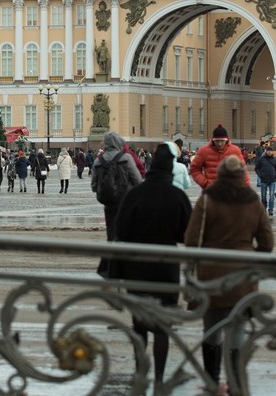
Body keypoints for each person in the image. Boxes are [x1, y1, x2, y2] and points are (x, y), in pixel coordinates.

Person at [184, 155, 274, 395]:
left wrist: (194, 263)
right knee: (237, 328)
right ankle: (235, 382)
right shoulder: (253, 200)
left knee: (211, 328)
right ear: (241, 174)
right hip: (243, 274)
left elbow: (192, 238)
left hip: (211, 272)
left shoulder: (208, 199)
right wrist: (252, 255)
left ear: (221, 175)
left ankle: (212, 381)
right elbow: (267, 241)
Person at [113, 143, 192, 389]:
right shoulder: (177, 196)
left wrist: (116, 272)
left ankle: (140, 371)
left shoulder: (134, 195)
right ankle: (158, 376)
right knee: (162, 326)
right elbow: (186, 234)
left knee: (139, 324)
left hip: (136, 267)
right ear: (170, 168)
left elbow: (120, 232)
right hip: (166, 267)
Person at [91, 131, 143, 240]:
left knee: (111, 230)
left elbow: (94, 186)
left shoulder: (98, 161)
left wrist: (108, 190)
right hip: (126, 200)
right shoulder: (126, 158)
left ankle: (112, 252)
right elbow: (137, 180)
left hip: (108, 201)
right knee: (126, 230)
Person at [190, 124, 247, 190]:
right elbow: (194, 169)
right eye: (217, 141)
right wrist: (204, 183)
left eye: (222, 141)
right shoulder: (204, 151)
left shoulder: (235, 150)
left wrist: (245, 191)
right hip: (211, 192)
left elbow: (243, 171)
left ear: (226, 140)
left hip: (231, 192)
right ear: (213, 140)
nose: (219, 144)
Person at [255, 146, 276, 216]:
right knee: (263, 196)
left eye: (271, 151)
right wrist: (260, 175)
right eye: (268, 151)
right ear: (266, 151)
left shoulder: (275, 160)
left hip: (272, 180)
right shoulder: (261, 159)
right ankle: (263, 209)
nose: (269, 152)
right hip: (264, 180)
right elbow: (257, 168)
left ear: (272, 152)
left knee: (271, 196)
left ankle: (271, 209)